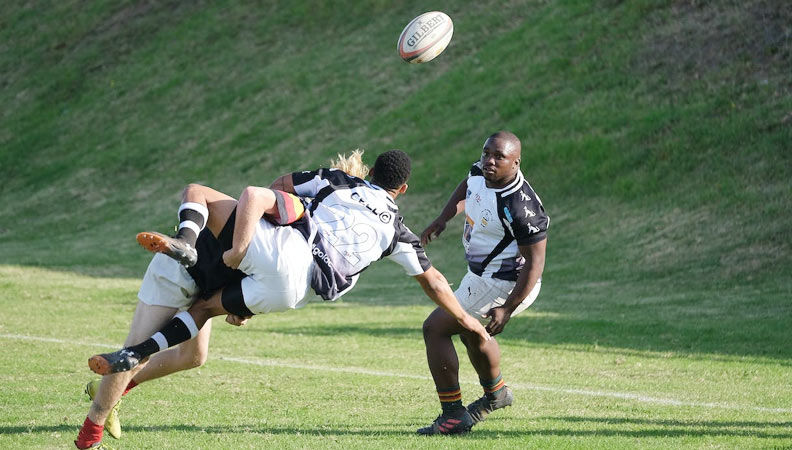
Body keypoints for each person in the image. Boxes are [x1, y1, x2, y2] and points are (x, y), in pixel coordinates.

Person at [75, 150, 490, 449]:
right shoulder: (395, 229)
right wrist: (468, 321)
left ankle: (116, 385)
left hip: (234, 259)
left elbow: (271, 191)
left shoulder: (331, 184)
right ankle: (98, 416)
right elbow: (433, 280)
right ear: (402, 189)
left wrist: (268, 223)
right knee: (182, 333)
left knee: (189, 354)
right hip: (273, 277)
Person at [415, 131, 549, 436]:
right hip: (482, 278)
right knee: (470, 333)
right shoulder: (481, 170)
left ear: (515, 163)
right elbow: (468, 185)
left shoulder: (520, 206)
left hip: (505, 284)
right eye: (486, 153)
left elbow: (535, 262)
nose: (488, 160)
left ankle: (452, 415)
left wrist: (508, 307)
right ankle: (497, 394)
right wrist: (443, 218)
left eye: (498, 157)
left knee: (435, 328)